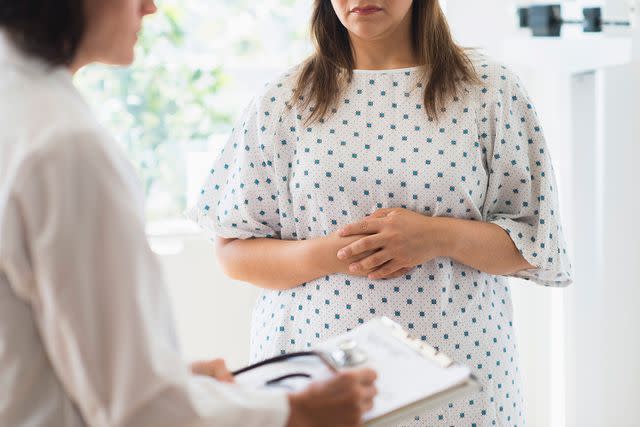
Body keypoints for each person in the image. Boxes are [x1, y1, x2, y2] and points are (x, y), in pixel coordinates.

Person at [189, 0, 573, 425]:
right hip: (320, 387)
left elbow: (534, 244)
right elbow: (233, 251)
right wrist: (336, 253)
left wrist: (436, 237)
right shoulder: (285, 99)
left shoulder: (488, 89)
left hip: (462, 390)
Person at [0, 0, 378, 426]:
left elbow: (44, 352)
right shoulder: (65, 147)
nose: (150, 7)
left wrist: (175, 382)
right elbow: (139, 408)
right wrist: (297, 413)